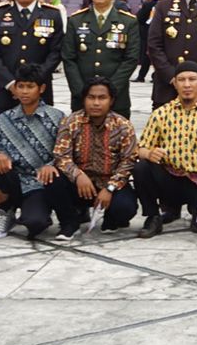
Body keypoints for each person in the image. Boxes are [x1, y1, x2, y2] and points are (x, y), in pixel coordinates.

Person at [134, 62, 197, 237]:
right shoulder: (161, 113)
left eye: (192, 79)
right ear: (174, 83)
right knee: (141, 167)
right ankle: (153, 216)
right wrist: (149, 153)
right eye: (181, 80)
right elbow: (140, 149)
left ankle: (196, 211)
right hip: (170, 179)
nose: (187, 85)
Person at [0, 64, 66, 240]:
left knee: (35, 224)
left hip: (40, 182)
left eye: (30, 86)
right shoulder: (6, 118)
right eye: (21, 86)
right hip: (14, 179)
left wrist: (51, 165)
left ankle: (40, 210)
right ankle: (6, 213)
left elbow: (65, 151)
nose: (25, 92)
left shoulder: (57, 117)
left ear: (41, 88)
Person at [50, 77, 139, 238]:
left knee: (125, 208)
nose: (96, 103)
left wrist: (110, 188)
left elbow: (128, 161)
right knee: (52, 178)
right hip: (80, 184)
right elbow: (61, 156)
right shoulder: (71, 122)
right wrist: (78, 175)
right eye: (91, 97)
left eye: (102, 98)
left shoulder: (123, 126)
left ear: (111, 101)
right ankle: (69, 223)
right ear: (84, 99)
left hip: (110, 183)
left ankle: (111, 219)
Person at [61, 0, 139, 116]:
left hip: (117, 98)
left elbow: (131, 59)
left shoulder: (128, 22)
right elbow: (69, 59)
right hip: (82, 98)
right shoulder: (76, 20)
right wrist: (82, 92)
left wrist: (110, 92)